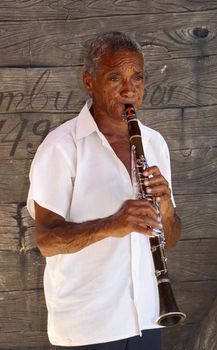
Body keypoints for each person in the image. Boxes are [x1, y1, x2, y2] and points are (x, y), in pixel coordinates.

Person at [27, 31, 181, 350]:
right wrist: (112, 224)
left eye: (137, 77)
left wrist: (165, 207)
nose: (129, 89)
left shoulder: (154, 144)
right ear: (88, 80)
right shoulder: (61, 147)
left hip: (149, 318)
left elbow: (172, 238)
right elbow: (46, 240)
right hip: (88, 327)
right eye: (115, 77)